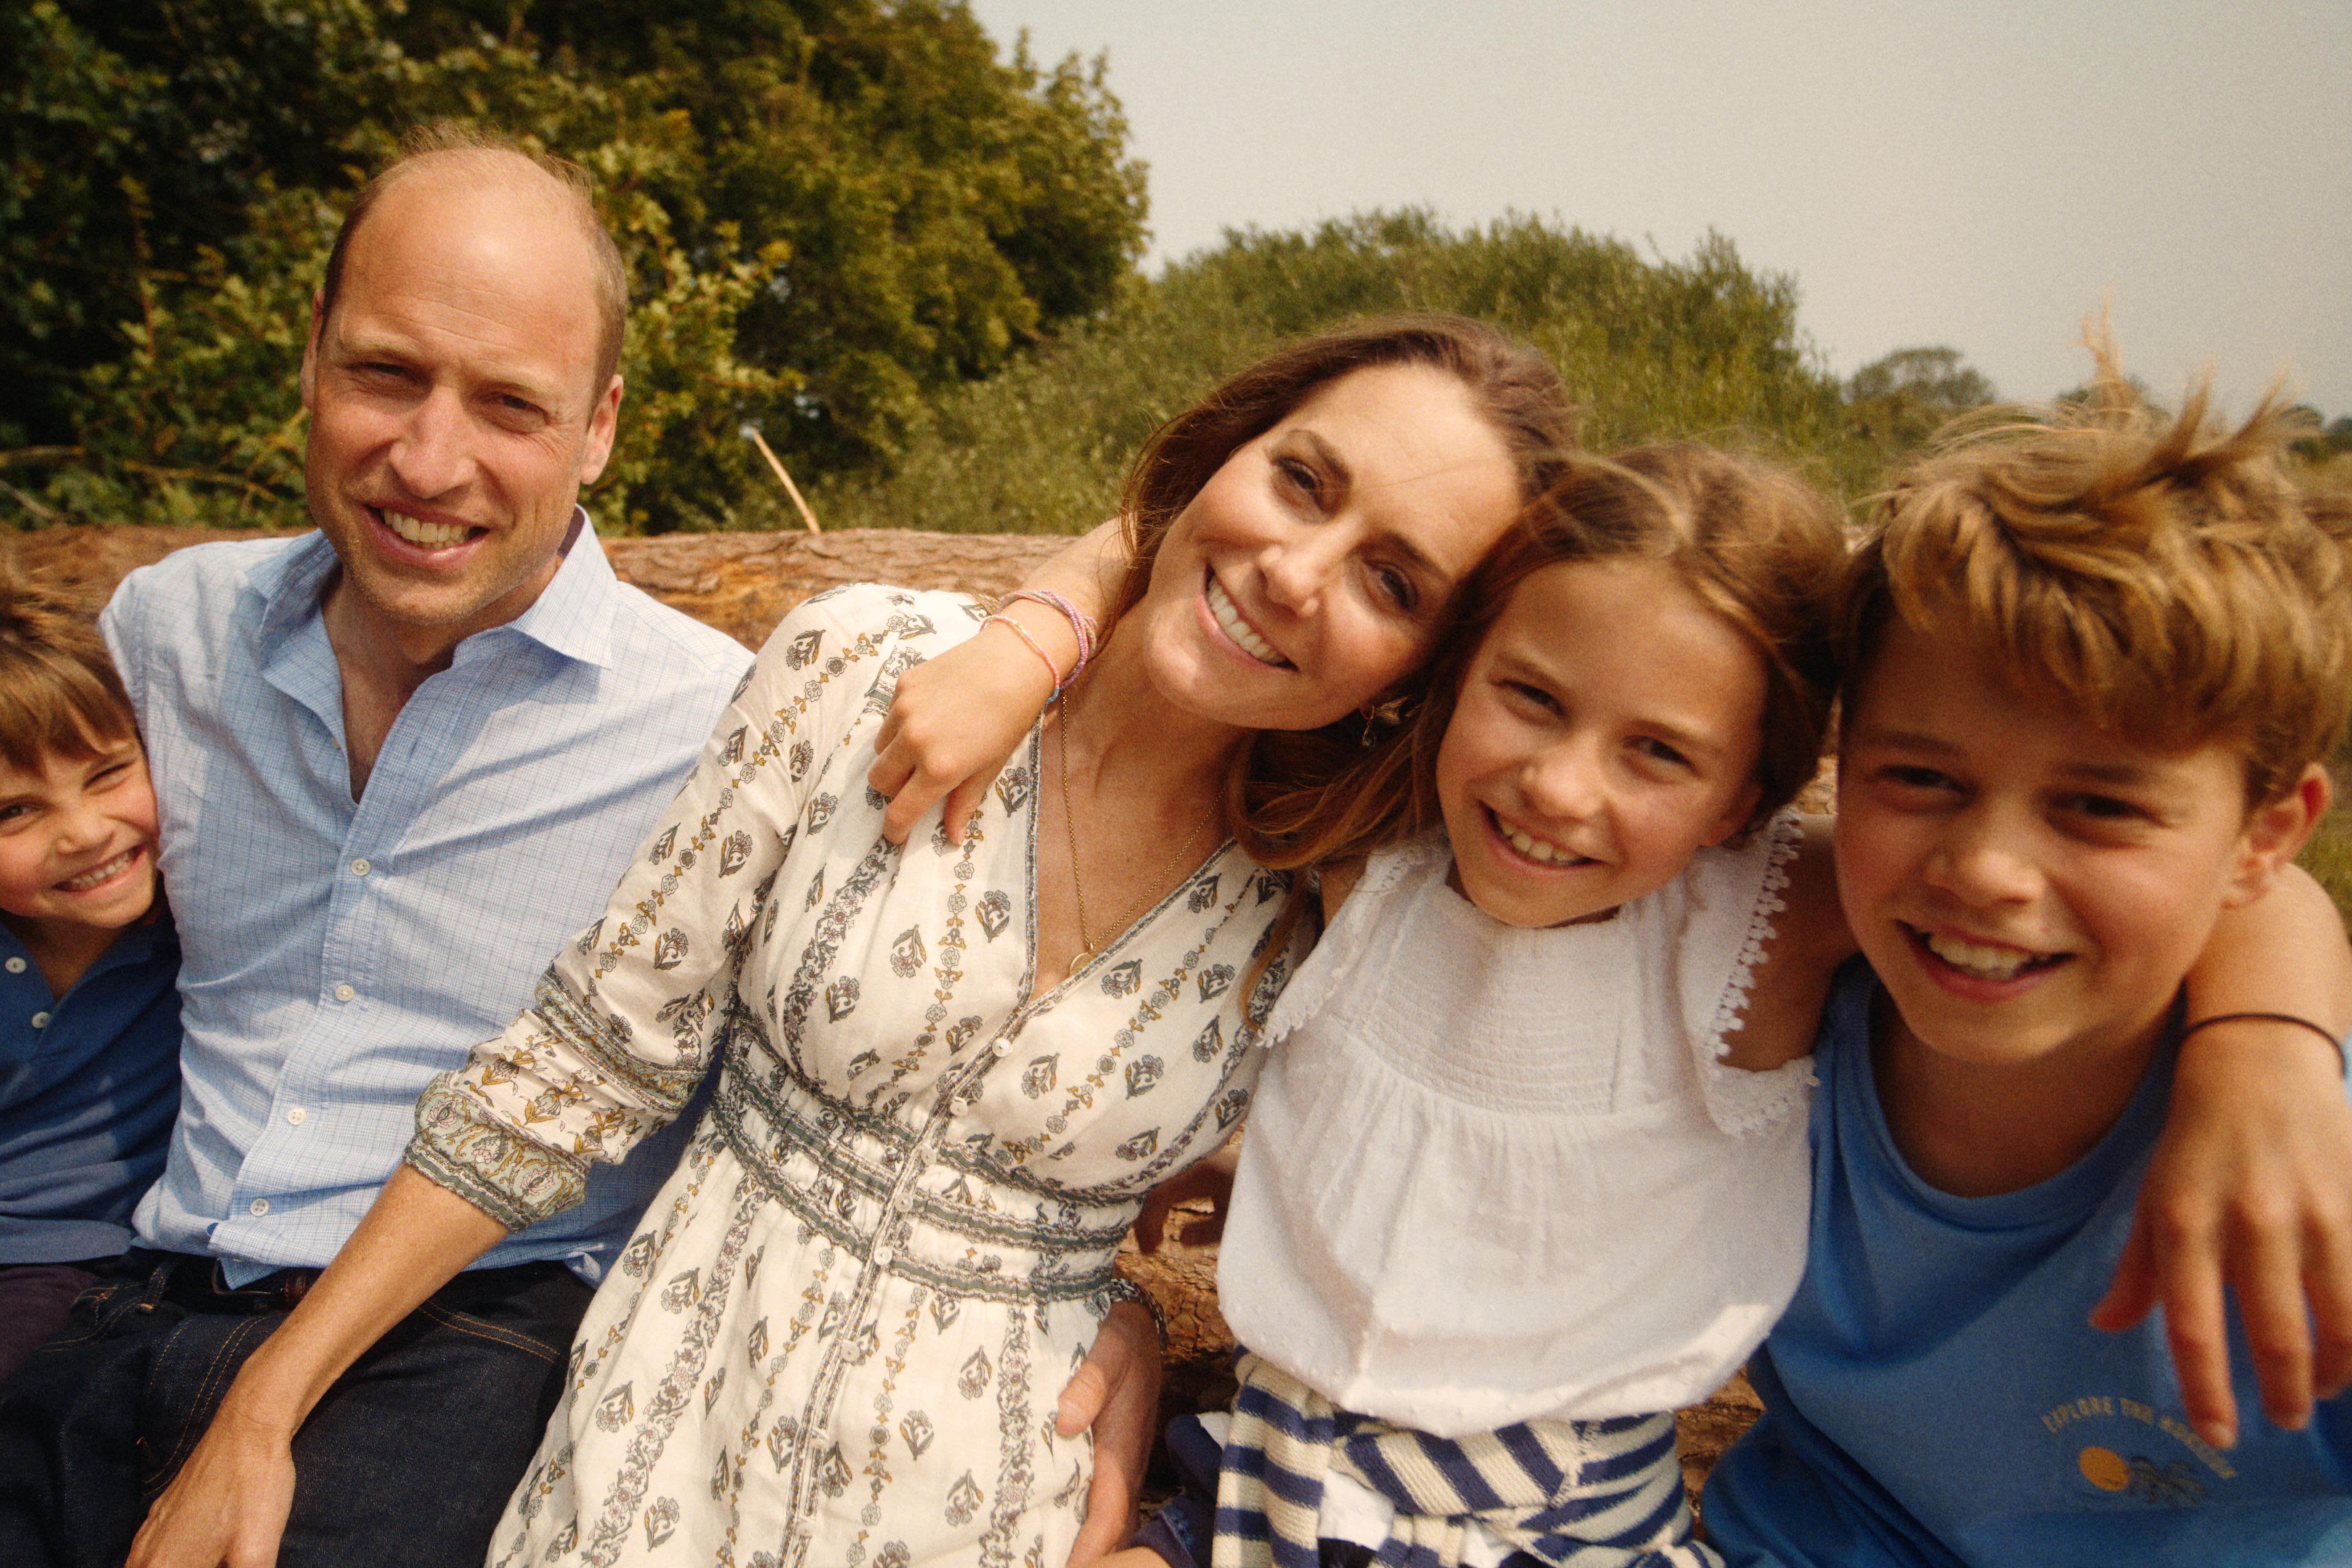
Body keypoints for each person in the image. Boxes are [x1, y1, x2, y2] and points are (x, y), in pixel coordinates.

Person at [125, 315, 1580, 1568]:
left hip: (999, 1500)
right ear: (1225, 456)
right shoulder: (872, 666)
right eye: (1301, 482)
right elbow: (581, 1064)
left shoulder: (1327, 910)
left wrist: (1122, 1302)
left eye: (1392, 582)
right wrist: (268, 1401)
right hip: (657, 1453)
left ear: (1422, 669)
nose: (1297, 571)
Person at [0, 124, 755, 1568]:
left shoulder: (713, 726)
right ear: (312, 358)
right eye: (387, 373)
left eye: (510, 406)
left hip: (475, 1335)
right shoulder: (168, 637)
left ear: (599, 428)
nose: (428, 459)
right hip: (131, 1302)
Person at [1700, 356, 2352, 1564]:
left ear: (2266, 836)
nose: (1989, 868)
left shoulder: (2315, 1183)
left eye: (2100, 807)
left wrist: (2274, 1048)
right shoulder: (1773, 991)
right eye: (1921, 780)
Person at [0, 571, 181, 1389]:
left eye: (108, 774)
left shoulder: (196, 921)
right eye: (13, 813)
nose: (83, 832)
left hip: (75, 1259)